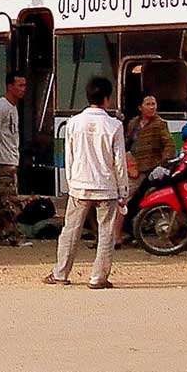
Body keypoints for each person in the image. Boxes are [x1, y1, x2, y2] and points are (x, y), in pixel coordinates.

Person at [48, 77, 129, 288]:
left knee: (71, 230)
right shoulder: (114, 125)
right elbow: (119, 161)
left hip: (79, 185)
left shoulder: (73, 123)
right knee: (106, 233)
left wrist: (71, 182)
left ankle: (60, 273)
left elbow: (69, 156)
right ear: (107, 99)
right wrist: (123, 190)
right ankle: (98, 277)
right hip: (107, 187)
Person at [0, 73, 28, 244]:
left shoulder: (13, 108)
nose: (23, 89)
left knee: (0, 202)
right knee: (10, 201)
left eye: (24, 85)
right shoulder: (0, 107)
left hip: (11, 158)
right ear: (10, 86)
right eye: (20, 85)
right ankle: (14, 235)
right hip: (3, 161)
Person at [121, 95, 174, 244]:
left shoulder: (160, 124)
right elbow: (127, 143)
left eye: (154, 104)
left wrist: (163, 163)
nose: (152, 107)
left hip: (150, 169)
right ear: (140, 107)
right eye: (148, 104)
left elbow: (169, 145)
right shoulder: (133, 123)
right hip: (133, 168)